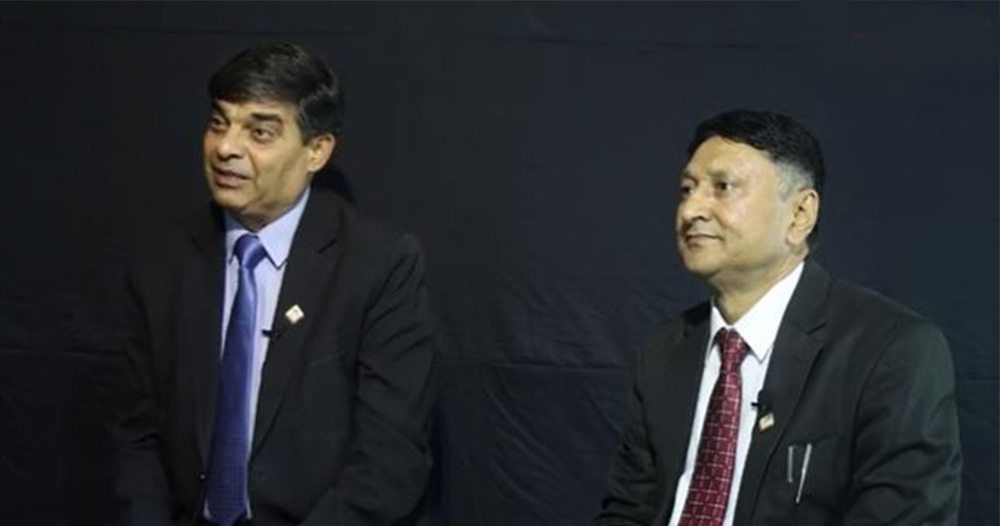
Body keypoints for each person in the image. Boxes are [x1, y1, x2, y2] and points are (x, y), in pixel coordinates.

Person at [114, 42, 436, 526]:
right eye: (218, 123)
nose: (226, 148)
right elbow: (137, 437)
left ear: (316, 151)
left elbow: (391, 462)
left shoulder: (380, 265)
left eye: (259, 132)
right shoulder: (162, 261)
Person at [595, 110, 961, 526]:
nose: (691, 209)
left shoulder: (892, 350)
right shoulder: (666, 348)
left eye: (723, 187)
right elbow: (629, 510)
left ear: (800, 214)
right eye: (687, 189)